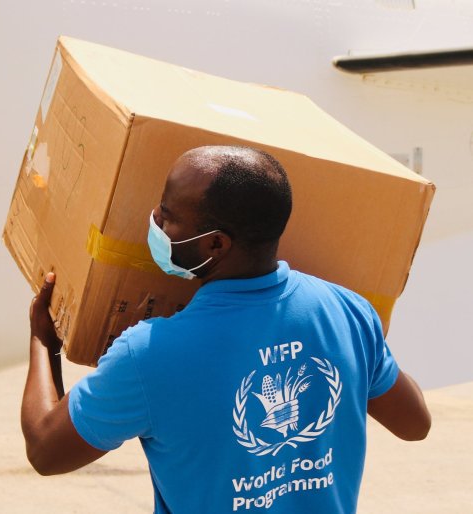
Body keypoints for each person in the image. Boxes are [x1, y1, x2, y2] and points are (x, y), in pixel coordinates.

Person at [21, 145, 431, 513]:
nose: (155, 220)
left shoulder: (148, 355)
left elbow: (45, 450)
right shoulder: (348, 310)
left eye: (168, 214)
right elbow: (415, 425)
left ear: (215, 245)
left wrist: (44, 337)